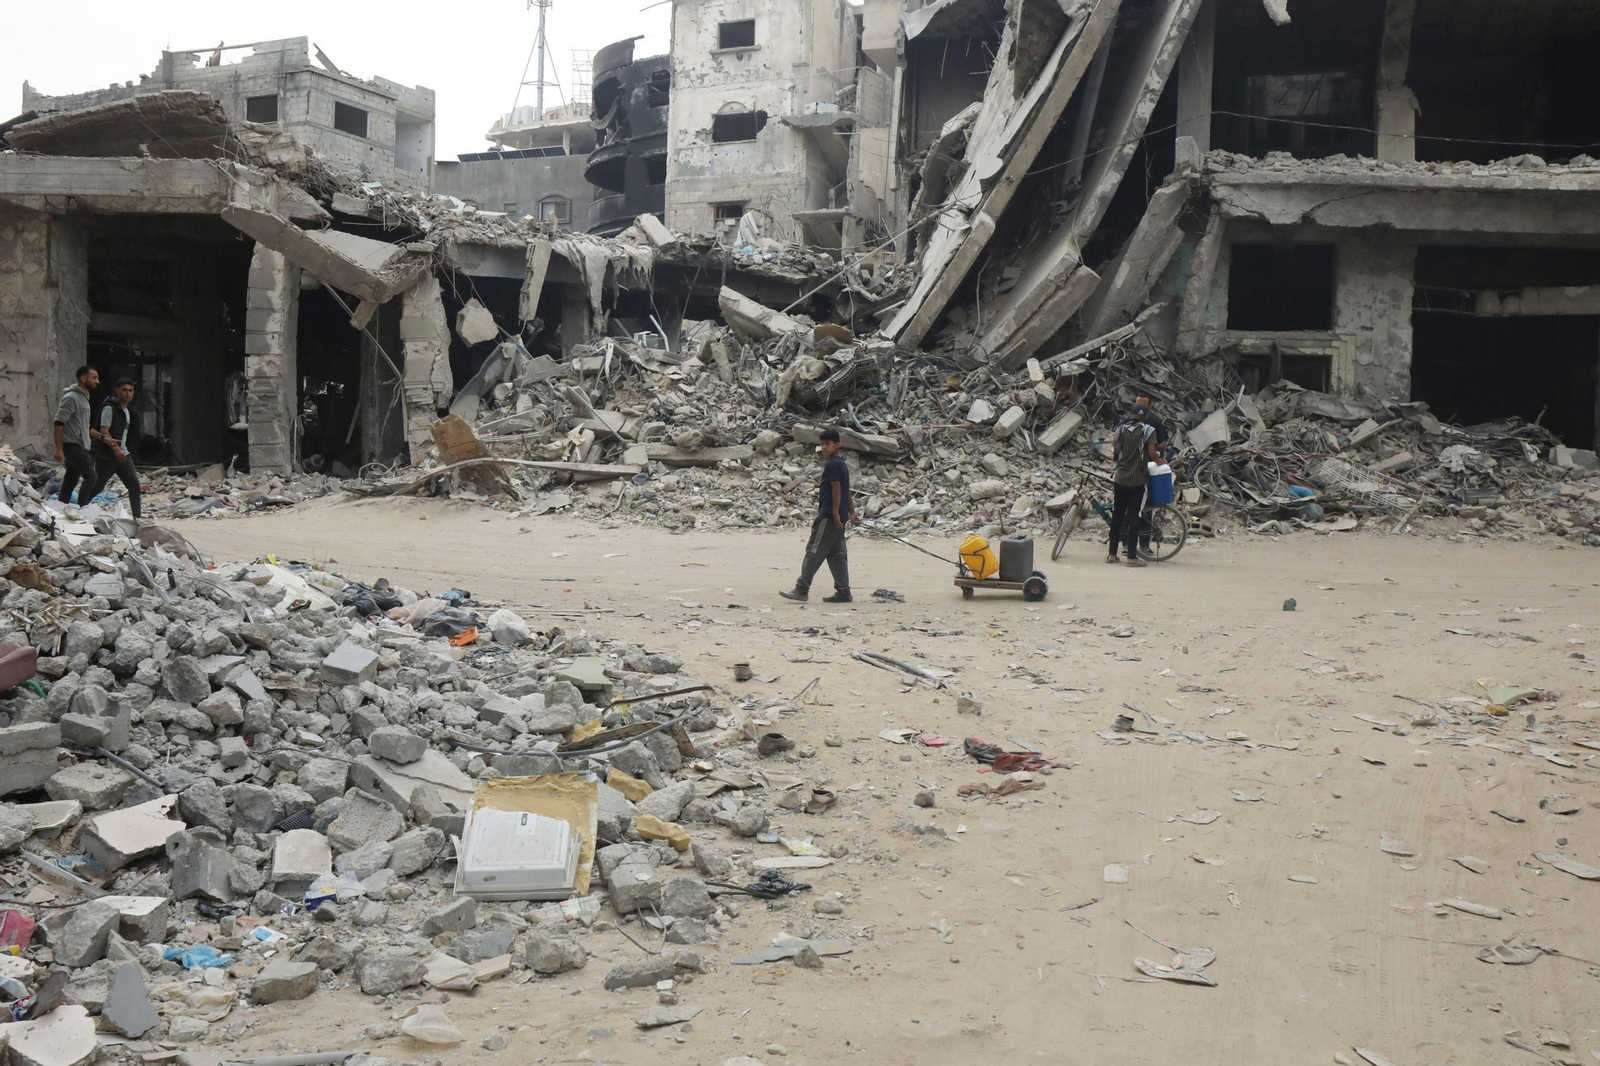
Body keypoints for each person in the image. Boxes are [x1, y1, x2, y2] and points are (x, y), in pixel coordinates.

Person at [780, 427, 857, 603]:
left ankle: (801, 589)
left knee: (814, 550)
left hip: (829, 516)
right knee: (838, 554)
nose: (824, 448)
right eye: (822, 444)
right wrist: (851, 513)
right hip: (839, 516)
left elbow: (838, 490)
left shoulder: (832, 465)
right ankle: (844, 592)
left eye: (827, 444)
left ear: (837, 445)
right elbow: (847, 491)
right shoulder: (842, 465)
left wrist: (836, 514)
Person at [1108, 401, 1159, 567]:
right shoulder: (1148, 430)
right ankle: (1131, 557)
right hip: (1137, 481)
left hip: (1120, 478)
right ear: (1146, 416)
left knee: (1117, 516)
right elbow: (1152, 453)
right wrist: (1160, 461)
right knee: (1134, 517)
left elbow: (1115, 453)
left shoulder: (1120, 429)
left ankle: (1112, 555)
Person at [89, 377, 142, 520]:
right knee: (97, 487)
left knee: (134, 486)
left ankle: (138, 519)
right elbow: (104, 431)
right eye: (124, 390)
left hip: (124, 455)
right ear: (117, 391)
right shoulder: (109, 407)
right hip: (107, 456)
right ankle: (79, 509)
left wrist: (123, 450)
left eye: (130, 390)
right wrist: (116, 449)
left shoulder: (127, 410)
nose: (128, 393)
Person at [52, 365, 99, 509]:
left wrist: (102, 437)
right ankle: (82, 509)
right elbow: (58, 422)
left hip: (81, 445)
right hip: (72, 445)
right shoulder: (71, 397)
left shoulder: (84, 398)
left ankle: (61, 509)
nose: (98, 381)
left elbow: (86, 426)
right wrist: (59, 448)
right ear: (83, 378)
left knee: (71, 481)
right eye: (94, 378)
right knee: (91, 477)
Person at [1135, 396, 1171, 553]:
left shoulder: (1154, 424)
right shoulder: (1128, 423)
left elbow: (1162, 445)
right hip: (1131, 469)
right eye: (1137, 404)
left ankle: (1143, 544)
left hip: (1146, 469)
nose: (1139, 408)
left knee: (1145, 507)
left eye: (1142, 405)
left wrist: (1155, 454)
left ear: (1149, 408)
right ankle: (1126, 543)